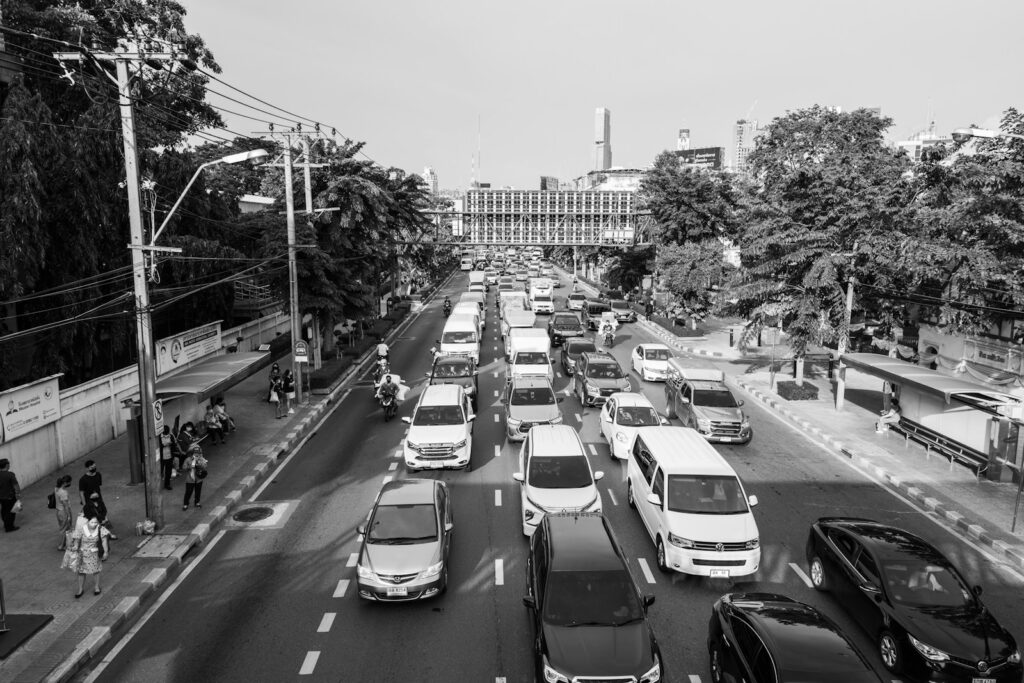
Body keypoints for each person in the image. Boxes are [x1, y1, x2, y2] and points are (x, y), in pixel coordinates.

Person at [65, 509, 110, 597]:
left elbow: (104, 541)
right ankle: (80, 589)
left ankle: (96, 587)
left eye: (95, 522)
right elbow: (77, 541)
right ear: (88, 521)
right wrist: (74, 547)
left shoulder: (101, 529)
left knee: (96, 571)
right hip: (82, 554)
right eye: (92, 522)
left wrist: (105, 552)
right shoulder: (81, 529)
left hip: (94, 554)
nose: (94, 524)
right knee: (81, 572)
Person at [182, 444, 208, 511]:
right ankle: (185, 504)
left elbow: (205, 467)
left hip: (199, 479)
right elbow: (184, 467)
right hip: (190, 479)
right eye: (195, 453)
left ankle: (197, 502)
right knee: (188, 492)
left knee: (198, 491)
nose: (196, 454)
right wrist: (189, 467)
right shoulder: (188, 459)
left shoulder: (202, 459)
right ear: (193, 453)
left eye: (198, 453)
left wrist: (200, 465)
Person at [0, 458, 21, 532]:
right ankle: (9, 527)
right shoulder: (10, 475)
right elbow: (16, 486)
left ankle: (6, 523)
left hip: (1, 497)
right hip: (10, 496)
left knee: (4, 510)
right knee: (12, 511)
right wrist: (18, 494)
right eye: (8, 464)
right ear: (6, 465)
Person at [55, 475, 73, 550]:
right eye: (69, 482)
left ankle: (64, 544)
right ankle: (61, 546)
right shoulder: (63, 493)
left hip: (58, 511)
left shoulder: (56, 488)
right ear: (65, 483)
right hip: (64, 512)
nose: (70, 483)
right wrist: (69, 516)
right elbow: (66, 506)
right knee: (65, 529)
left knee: (63, 528)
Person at [159, 426, 178, 490]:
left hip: (169, 457)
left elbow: (174, 445)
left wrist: (171, 444)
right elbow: (157, 446)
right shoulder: (159, 437)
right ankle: (157, 486)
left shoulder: (171, 436)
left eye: (167, 433)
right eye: (165, 433)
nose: (167, 434)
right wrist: (164, 445)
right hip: (161, 458)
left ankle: (167, 484)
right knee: (159, 472)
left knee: (168, 472)